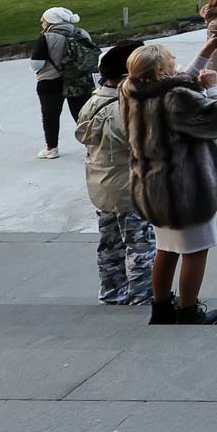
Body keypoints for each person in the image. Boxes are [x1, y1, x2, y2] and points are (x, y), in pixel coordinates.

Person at [121, 43, 217, 326]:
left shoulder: (131, 90)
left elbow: (182, 78)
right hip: (187, 189)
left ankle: (161, 308)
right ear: (161, 71)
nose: (176, 63)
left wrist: (208, 49)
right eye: (171, 60)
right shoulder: (175, 99)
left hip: (154, 188)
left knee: (166, 249)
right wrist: (214, 89)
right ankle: (188, 309)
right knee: (196, 250)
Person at [74, 42, 155, 307]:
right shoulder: (124, 108)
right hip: (130, 188)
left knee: (110, 246)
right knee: (141, 246)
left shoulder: (93, 102)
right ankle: (144, 296)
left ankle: (112, 293)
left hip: (102, 186)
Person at [29, 7, 97, 159]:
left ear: (52, 21)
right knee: (82, 115)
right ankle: (93, 147)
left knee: (50, 115)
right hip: (78, 80)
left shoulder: (46, 37)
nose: (41, 21)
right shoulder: (82, 33)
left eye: (44, 19)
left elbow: (36, 65)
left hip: (50, 81)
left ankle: (51, 148)